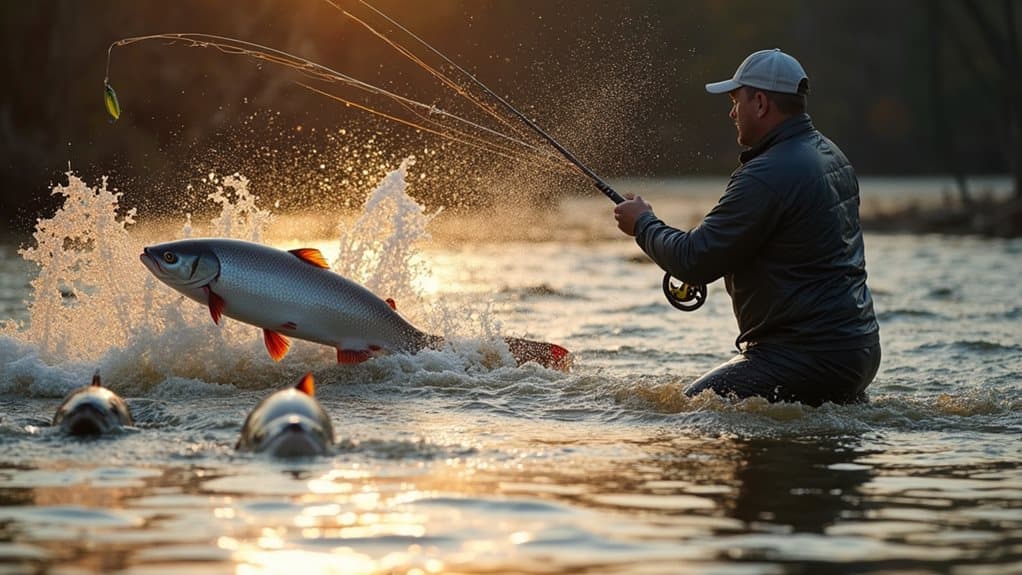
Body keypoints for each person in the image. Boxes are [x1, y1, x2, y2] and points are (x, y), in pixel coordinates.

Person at [614, 49, 880, 406]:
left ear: (759, 102)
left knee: (688, 408)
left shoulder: (769, 173)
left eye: (735, 100)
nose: (731, 112)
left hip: (805, 358)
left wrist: (643, 224)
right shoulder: (831, 155)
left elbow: (694, 259)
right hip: (858, 351)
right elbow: (793, 247)